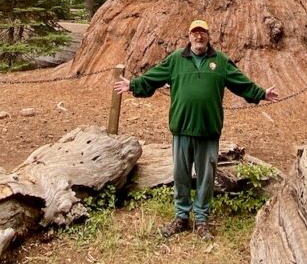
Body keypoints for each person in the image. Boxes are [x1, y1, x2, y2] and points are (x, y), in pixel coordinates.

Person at [113, 18, 279, 240]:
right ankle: (181, 216)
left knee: (206, 177)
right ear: (189, 36)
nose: (199, 37)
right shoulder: (176, 59)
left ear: (208, 36)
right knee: (181, 176)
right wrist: (133, 85)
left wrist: (261, 93)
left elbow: (240, 82)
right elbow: (154, 76)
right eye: (195, 33)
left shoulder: (220, 61)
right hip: (182, 128)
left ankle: (201, 219)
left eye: (202, 33)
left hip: (208, 131)